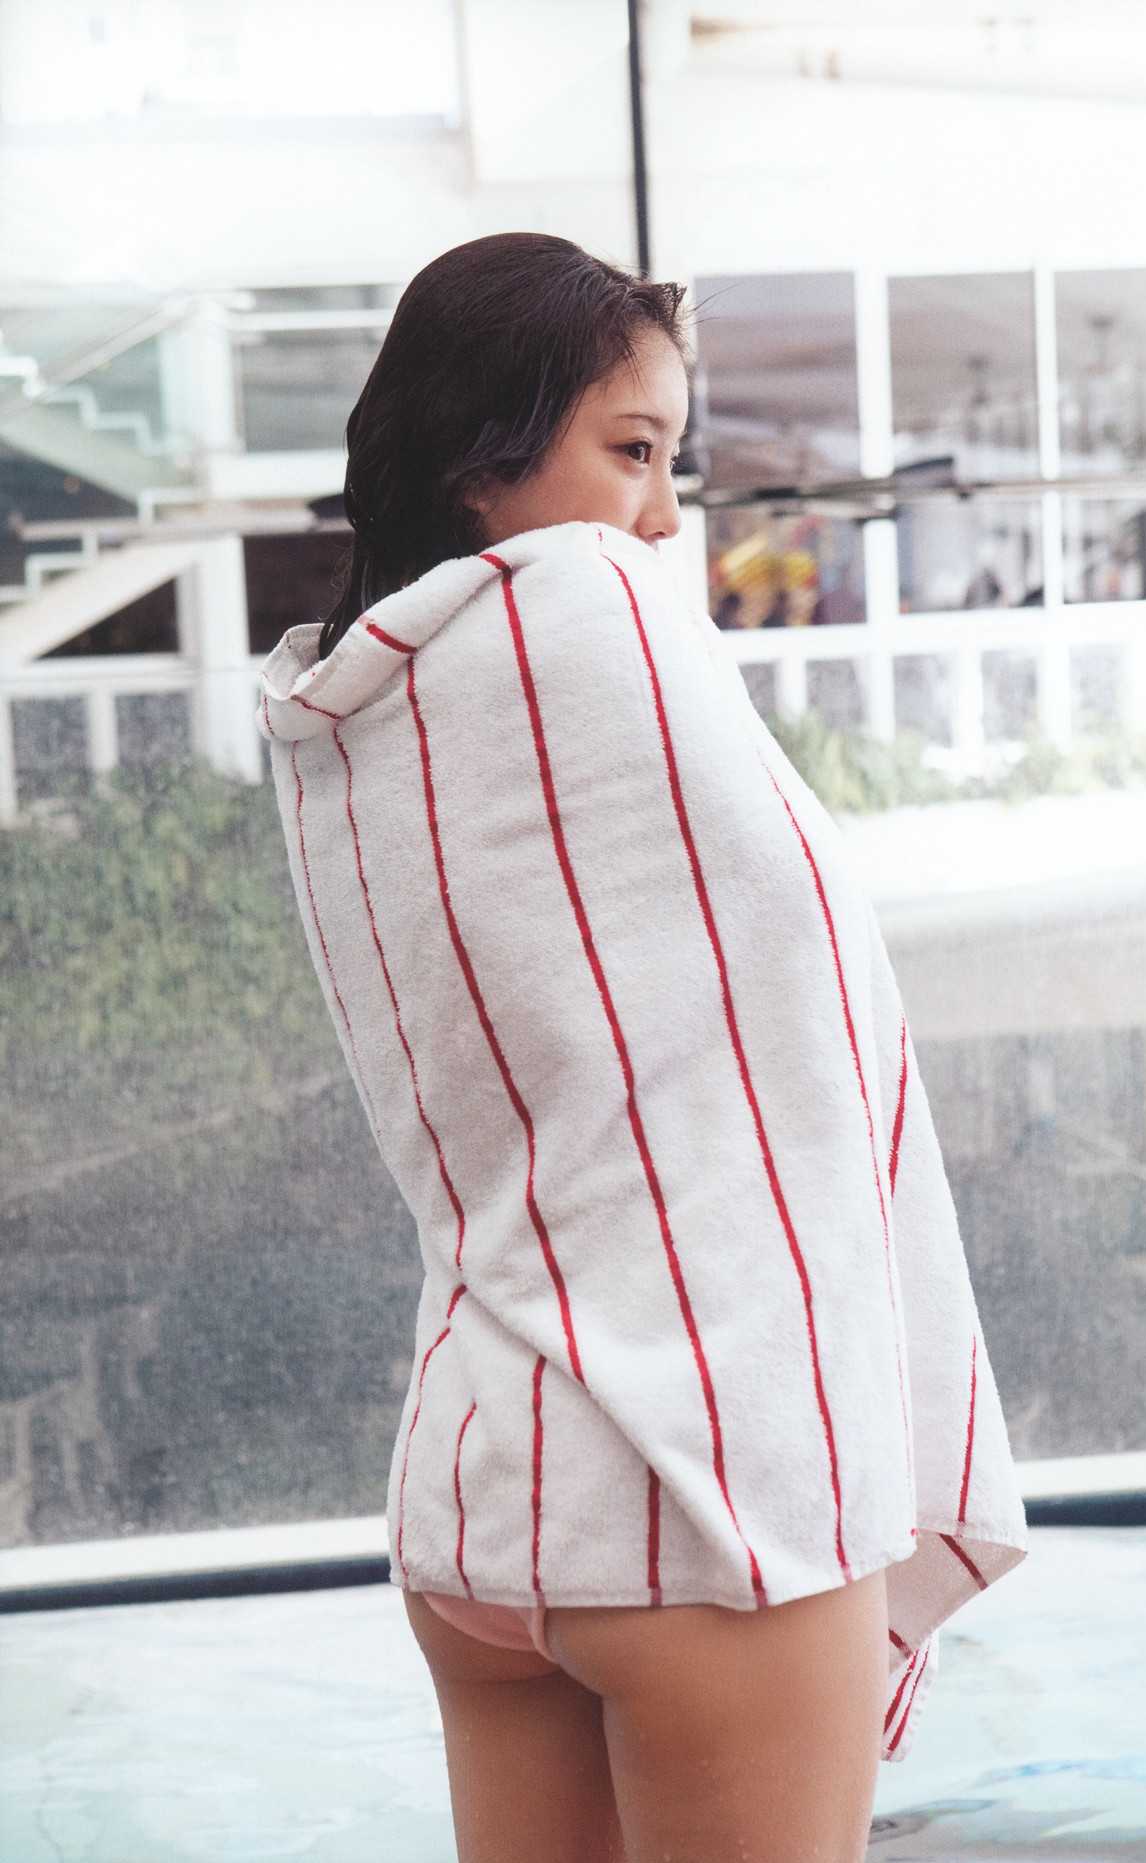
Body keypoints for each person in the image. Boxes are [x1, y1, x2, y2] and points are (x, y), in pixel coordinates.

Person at [255, 232, 1028, 1863]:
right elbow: (810, 1010)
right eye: (633, 451)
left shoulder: (343, 716)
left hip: (486, 1478)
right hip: (709, 1482)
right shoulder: (590, 608)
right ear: (482, 456)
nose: (664, 519)